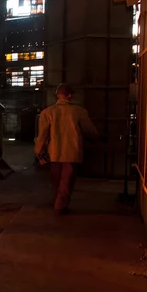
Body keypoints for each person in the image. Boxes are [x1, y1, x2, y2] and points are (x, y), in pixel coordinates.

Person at [35, 84, 98, 214]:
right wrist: (97, 138)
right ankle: (60, 207)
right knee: (67, 181)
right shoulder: (79, 111)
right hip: (72, 152)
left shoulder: (47, 112)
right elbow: (90, 131)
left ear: (57, 95)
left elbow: (42, 135)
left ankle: (59, 203)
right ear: (70, 95)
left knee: (56, 180)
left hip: (54, 152)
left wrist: (39, 150)